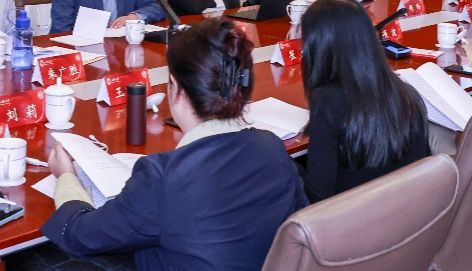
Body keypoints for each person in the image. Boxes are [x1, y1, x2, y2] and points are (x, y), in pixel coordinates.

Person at [41, 18, 307, 270]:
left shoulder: (163, 176)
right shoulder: (271, 147)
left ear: (175, 87)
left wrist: (65, 176)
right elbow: (299, 227)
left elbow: (78, 234)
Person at [299, 0, 429, 202]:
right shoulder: (406, 93)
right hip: (407, 211)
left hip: (351, 215)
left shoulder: (327, 101)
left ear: (317, 48)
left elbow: (318, 194)